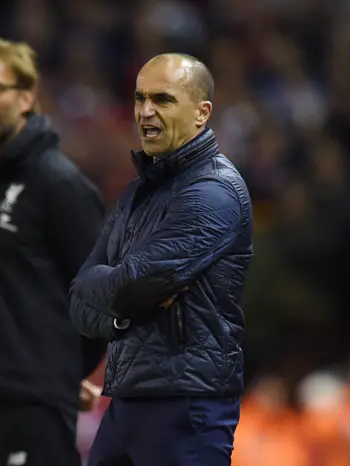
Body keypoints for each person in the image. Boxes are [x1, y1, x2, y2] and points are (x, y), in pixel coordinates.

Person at [69, 53, 254, 466]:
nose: (145, 111)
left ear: (201, 113)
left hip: (187, 406)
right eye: (139, 98)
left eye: (163, 100)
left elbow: (130, 286)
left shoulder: (213, 193)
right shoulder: (138, 193)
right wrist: (119, 313)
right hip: (128, 400)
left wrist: (117, 291)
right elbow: (81, 293)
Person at [0, 34, 106, 466]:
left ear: (27, 97)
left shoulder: (58, 183)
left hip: (29, 403)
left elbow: (100, 296)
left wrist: (61, 372)